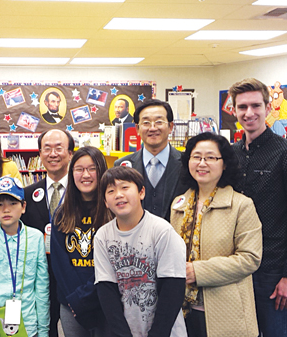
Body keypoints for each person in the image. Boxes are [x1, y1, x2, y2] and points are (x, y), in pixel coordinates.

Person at [229, 78, 287, 337]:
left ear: (268, 108)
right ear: (234, 110)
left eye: (256, 105)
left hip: (273, 272)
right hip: (235, 268)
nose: (249, 113)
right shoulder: (230, 155)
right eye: (242, 107)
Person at [169, 132, 262, 337]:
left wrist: (197, 271)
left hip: (226, 312)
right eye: (196, 157)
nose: (202, 163)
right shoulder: (179, 205)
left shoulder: (241, 205)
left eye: (210, 157)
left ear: (225, 163)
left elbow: (250, 259)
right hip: (182, 311)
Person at [94, 166, 187, 337]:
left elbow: (173, 290)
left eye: (125, 187)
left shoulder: (161, 231)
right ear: (105, 202)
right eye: (111, 191)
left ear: (141, 192)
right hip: (125, 330)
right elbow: (106, 290)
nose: (119, 195)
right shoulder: (102, 237)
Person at [0, 176, 49, 337]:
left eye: (13, 204)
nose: (6, 209)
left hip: (27, 324)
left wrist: (43, 330)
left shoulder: (35, 238)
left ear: (23, 206)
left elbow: (41, 286)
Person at [50, 146, 111, 337]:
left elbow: (112, 263)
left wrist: (88, 296)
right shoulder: (61, 213)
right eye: (79, 169)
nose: (86, 175)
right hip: (71, 304)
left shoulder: (112, 212)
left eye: (92, 168)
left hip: (105, 301)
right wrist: (77, 300)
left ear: (101, 171)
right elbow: (60, 265)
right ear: (71, 173)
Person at [21, 129, 74, 337]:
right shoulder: (28, 194)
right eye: (47, 149)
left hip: (73, 276)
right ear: (40, 154)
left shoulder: (83, 192)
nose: (53, 154)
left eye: (59, 148)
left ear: (70, 153)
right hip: (40, 279)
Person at [114, 99, 187, 221]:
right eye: (146, 123)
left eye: (159, 122)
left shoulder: (187, 163)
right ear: (137, 128)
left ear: (170, 127)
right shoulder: (122, 166)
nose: (153, 128)